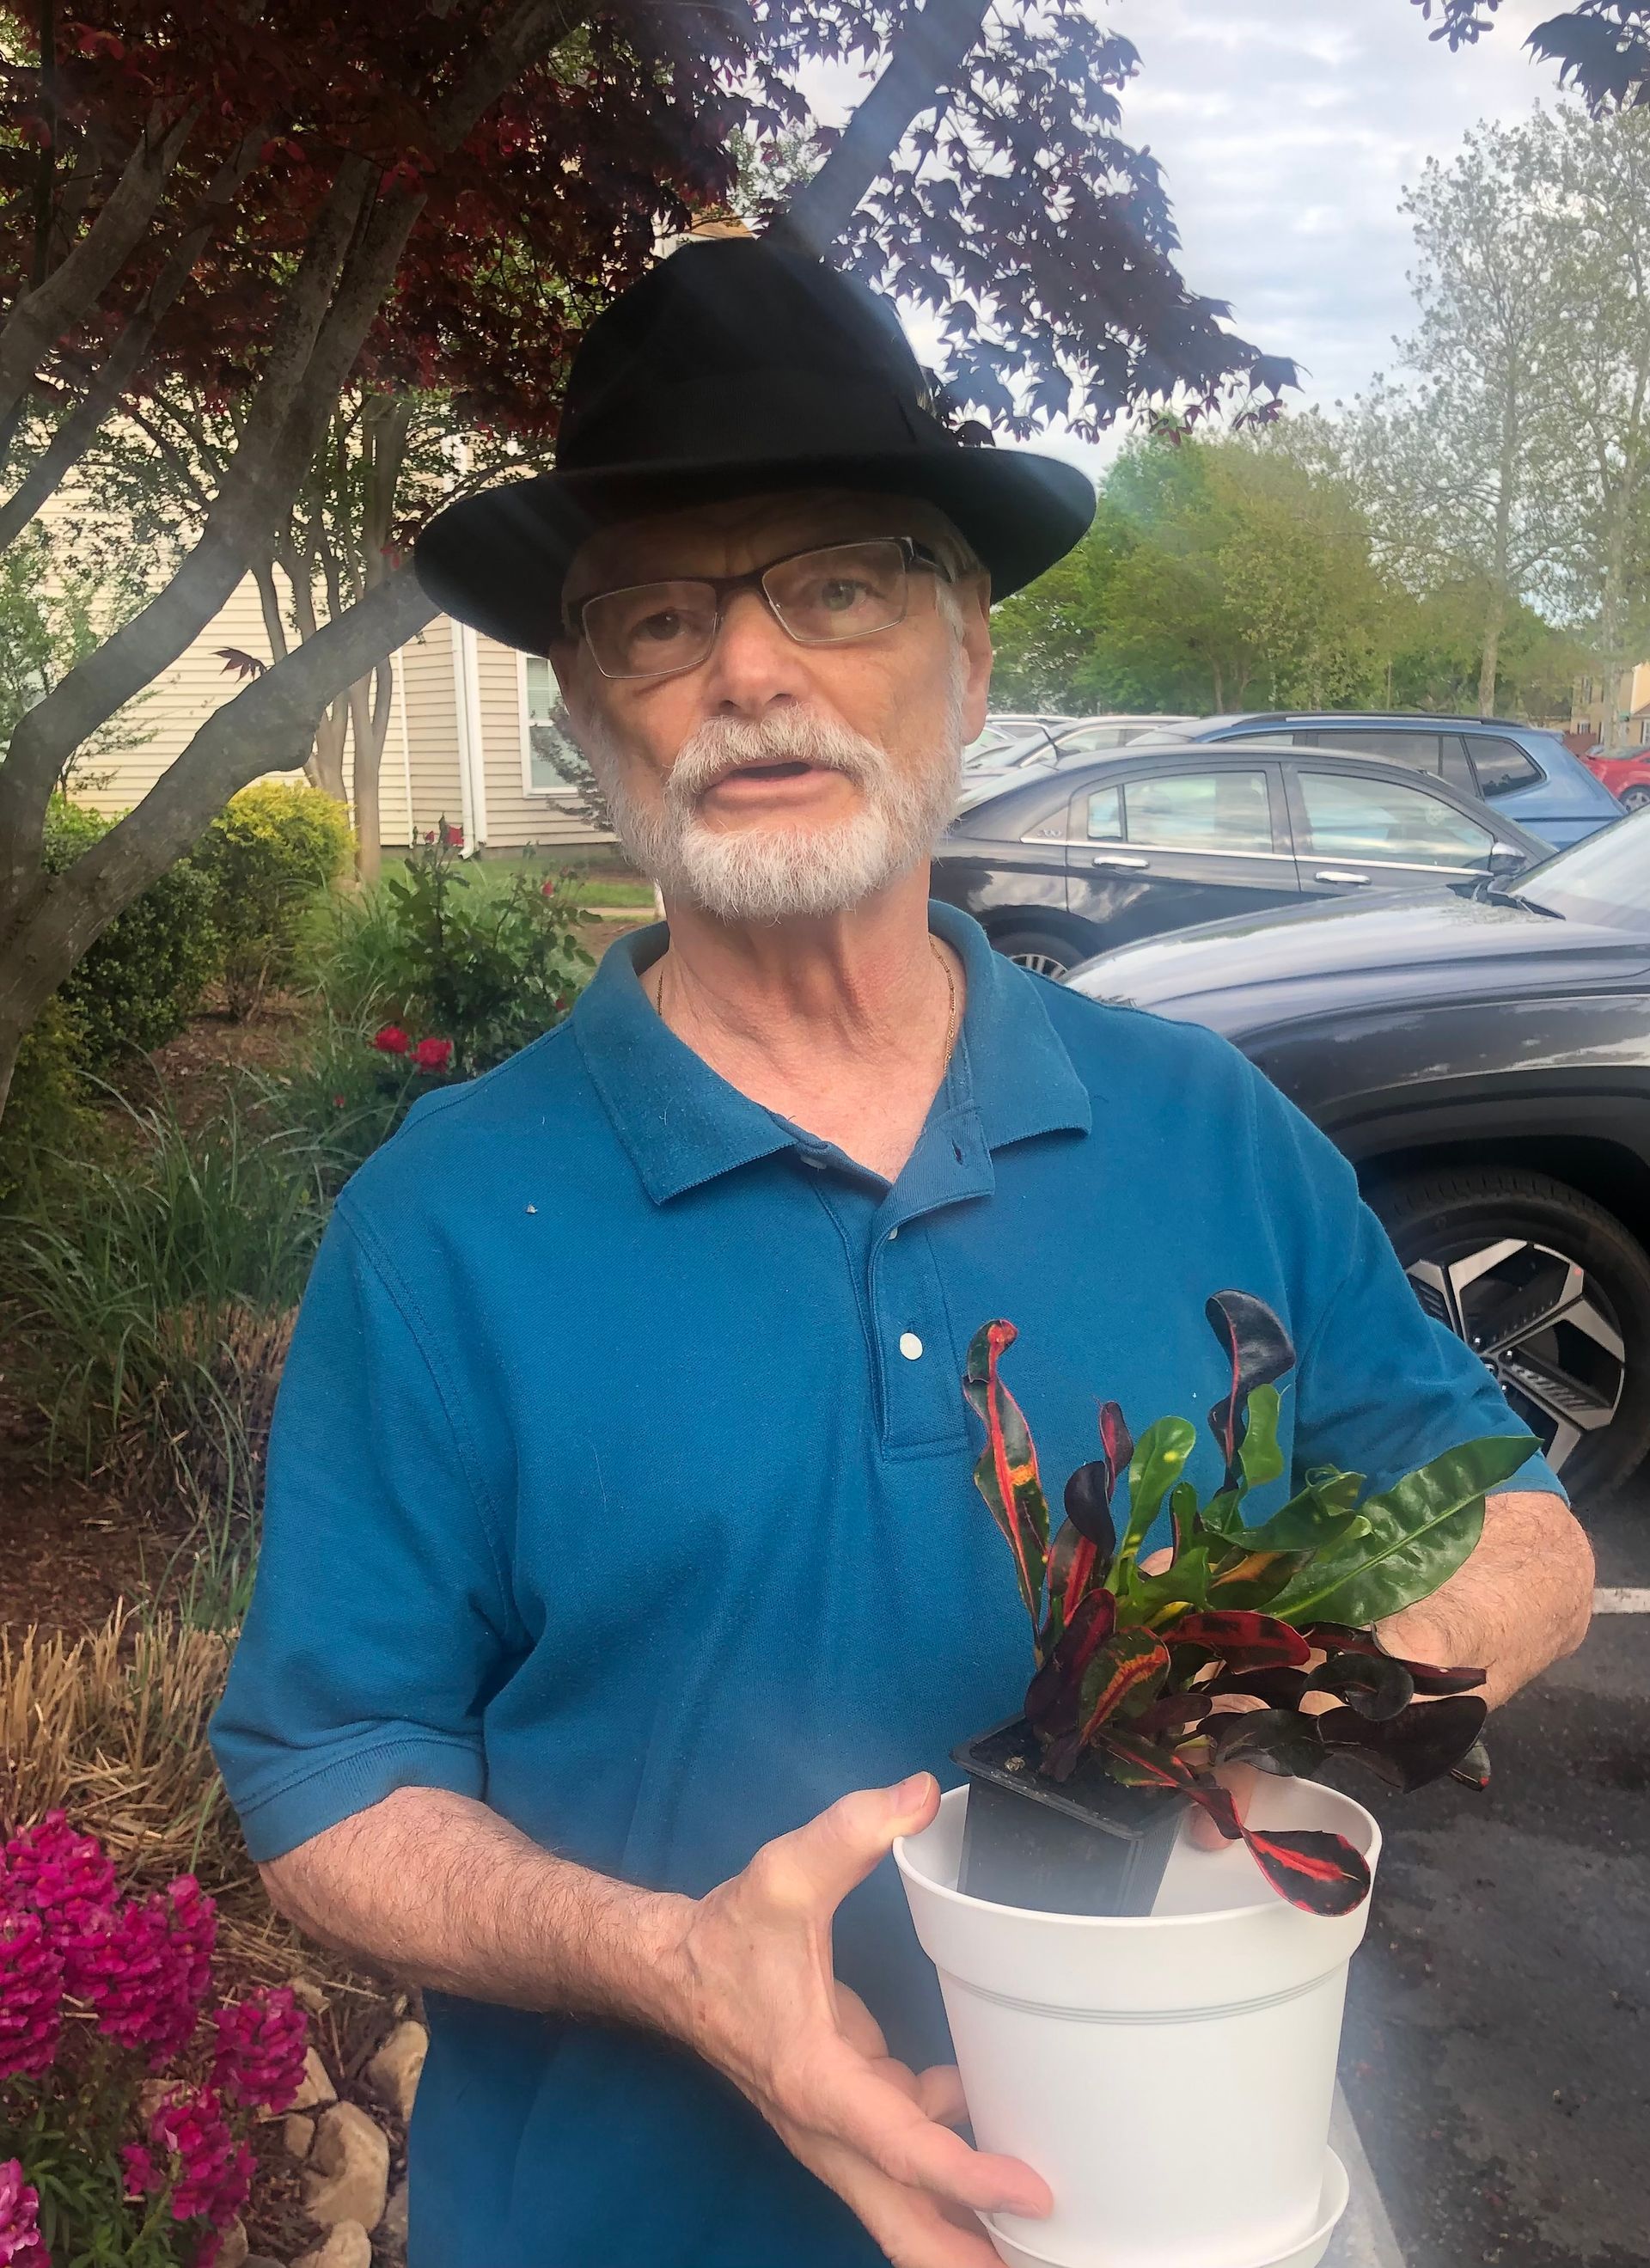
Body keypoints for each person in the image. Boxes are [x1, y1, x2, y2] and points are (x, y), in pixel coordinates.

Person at [211, 241, 1593, 2268]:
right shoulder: (444, 1226)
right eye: (661, 616)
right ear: (590, 710)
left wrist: (1309, 1682)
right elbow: (332, 1776)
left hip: (1177, 2204)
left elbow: (1518, 1530)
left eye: (840, 587)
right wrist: (674, 1962)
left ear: (970, 663)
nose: (749, 672)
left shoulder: (1204, 1126)